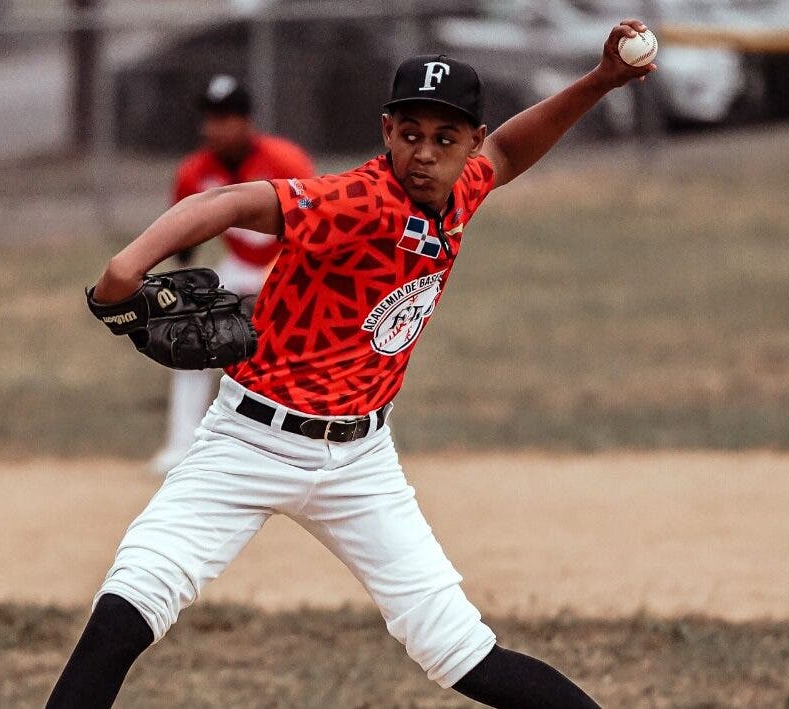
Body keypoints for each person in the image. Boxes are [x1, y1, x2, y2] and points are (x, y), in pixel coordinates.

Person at [50, 20, 656, 708]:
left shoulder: (462, 190)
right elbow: (226, 202)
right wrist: (124, 269)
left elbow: (515, 147)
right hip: (249, 439)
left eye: (445, 138)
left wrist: (602, 80)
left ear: (470, 144)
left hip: (362, 462)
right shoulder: (355, 201)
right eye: (410, 133)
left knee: (461, 652)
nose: (424, 153)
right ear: (386, 130)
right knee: (128, 605)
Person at [149, 74, 316, 475]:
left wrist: (277, 280)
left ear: (247, 122)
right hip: (239, 264)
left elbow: (313, 227)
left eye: (227, 117)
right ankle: (181, 445)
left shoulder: (284, 160)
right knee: (190, 336)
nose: (217, 127)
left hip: (288, 262)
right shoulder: (193, 172)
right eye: (211, 117)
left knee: (314, 345)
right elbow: (184, 247)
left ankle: (330, 440)